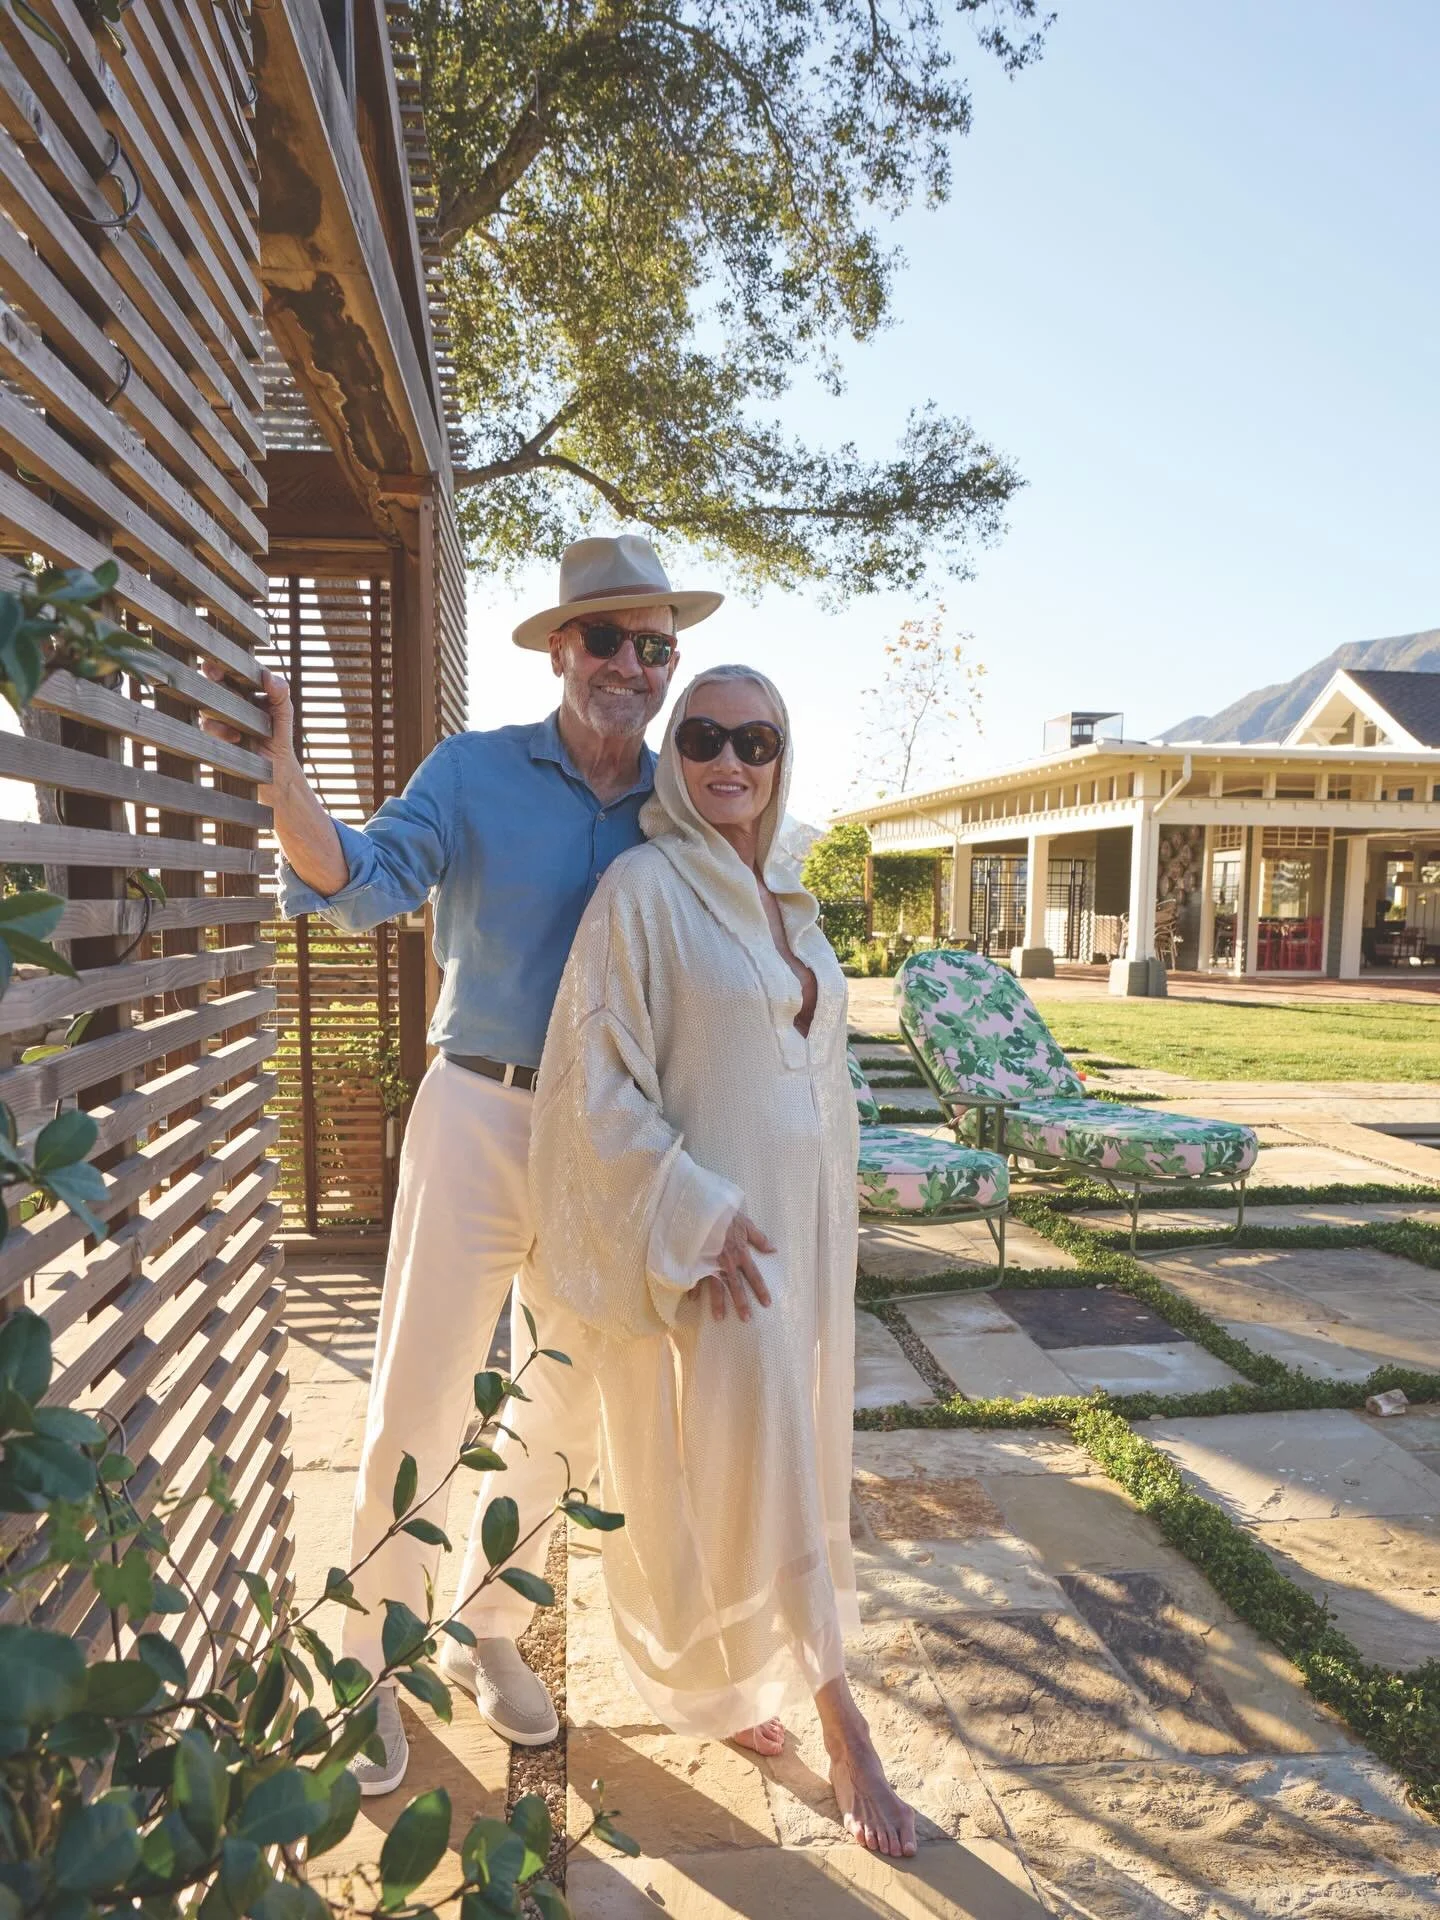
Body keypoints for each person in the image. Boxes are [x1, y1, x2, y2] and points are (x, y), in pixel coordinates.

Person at [207, 536, 724, 1794]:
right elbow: (364, 881)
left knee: (559, 1400)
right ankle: (370, 1661)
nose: (632, 666)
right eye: (607, 639)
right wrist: (286, 784)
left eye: (656, 646)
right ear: (561, 648)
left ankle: (497, 1627)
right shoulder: (475, 772)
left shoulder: (674, 801)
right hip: (478, 1112)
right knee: (421, 1394)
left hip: (601, 1141)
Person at [521, 665, 918, 1857]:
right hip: (716, 1245)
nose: (728, 760)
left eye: (754, 738)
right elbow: (593, 1076)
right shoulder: (642, 889)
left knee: (782, 1450)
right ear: (675, 754)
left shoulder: (789, 894)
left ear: (781, 752)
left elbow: (817, 1066)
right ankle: (843, 1720)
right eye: (702, 736)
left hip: (803, 1230)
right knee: (760, 1464)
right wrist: (687, 1210)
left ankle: (757, 1677)